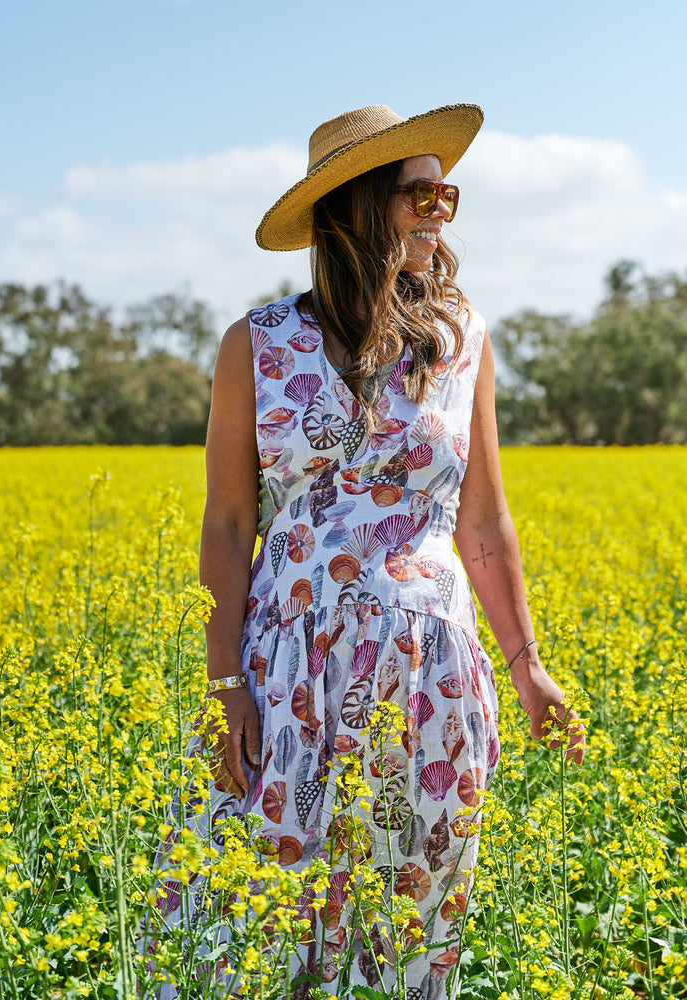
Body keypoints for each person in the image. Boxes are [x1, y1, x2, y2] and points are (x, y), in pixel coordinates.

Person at [198, 103, 585, 999]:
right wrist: (224, 684)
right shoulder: (254, 348)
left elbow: (483, 524)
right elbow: (226, 523)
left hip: (431, 679)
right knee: (259, 928)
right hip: (286, 675)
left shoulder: (462, 344)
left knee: (412, 934)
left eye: (446, 195)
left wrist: (527, 666)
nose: (439, 211)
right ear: (355, 206)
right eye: (421, 193)